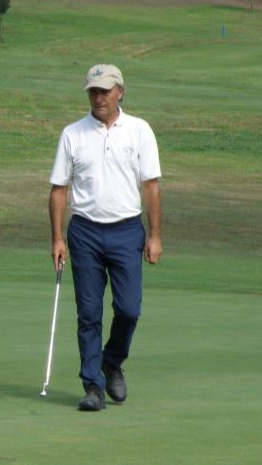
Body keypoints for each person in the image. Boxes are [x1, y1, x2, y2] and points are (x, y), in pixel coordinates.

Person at [48, 64, 162, 411]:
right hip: (84, 232)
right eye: (93, 92)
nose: (98, 97)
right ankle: (93, 387)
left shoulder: (140, 131)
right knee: (89, 313)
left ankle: (111, 361)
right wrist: (57, 238)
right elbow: (58, 190)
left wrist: (155, 235)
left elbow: (151, 186)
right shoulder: (73, 134)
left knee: (129, 309)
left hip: (127, 230)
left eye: (104, 91)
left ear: (120, 92)